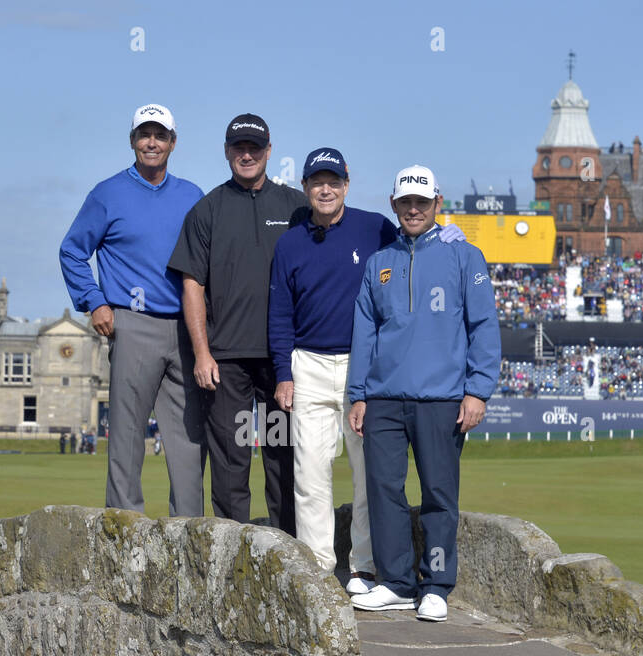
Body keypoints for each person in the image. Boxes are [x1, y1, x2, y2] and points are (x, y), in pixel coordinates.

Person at [268, 147, 466, 595]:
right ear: (305, 187)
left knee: (368, 473)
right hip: (308, 365)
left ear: (346, 185)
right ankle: (319, 568)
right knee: (310, 471)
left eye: (333, 181)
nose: (325, 188)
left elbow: (414, 242)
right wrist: (284, 372)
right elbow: (279, 313)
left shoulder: (373, 226)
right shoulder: (290, 242)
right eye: (317, 181)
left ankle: (363, 566)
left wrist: (452, 234)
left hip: (365, 368)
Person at [346, 165, 501, 622]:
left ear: (437, 204)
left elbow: (483, 326)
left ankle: (435, 584)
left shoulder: (464, 256)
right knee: (383, 489)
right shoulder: (379, 262)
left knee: (438, 493)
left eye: (422, 202)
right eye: (405, 202)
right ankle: (395, 582)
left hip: (443, 399)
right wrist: (359, 393)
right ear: (393, 204)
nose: (413, 209)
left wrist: (478, 391)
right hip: (385, 399)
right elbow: (365, 333)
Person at [59, 103, 206, 516]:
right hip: (132, 325)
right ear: (132, 141)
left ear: (173, 143)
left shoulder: (192, 195)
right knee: (125, 435)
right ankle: (125, 530)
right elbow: (72, 250)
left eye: (160, 135)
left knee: (189, 439)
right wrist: (95, 301)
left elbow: (208, 260)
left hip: (185, 329)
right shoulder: (107, 194)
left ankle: (189, 531)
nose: (152, 143)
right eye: (145, 135)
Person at [169, 113, 308, 533]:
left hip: (280, 360)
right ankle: (232, 554)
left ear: (269, 151)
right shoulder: (206, 209)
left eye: (254, 148)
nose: (246, 155)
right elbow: (192, 284)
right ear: (227, 152)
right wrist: (202, 353)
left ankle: (286, 551)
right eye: (238, 148)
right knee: (231, 457)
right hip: (225, 360)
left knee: (282, 455)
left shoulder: (296, 206)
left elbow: (338, 238)